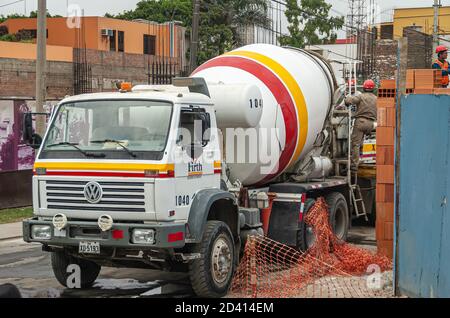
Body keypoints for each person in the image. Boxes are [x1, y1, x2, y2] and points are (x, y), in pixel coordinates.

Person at [344, 79, 377, 176]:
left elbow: (349, 101)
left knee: (355, 144)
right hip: (371, 124)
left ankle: (354, 166)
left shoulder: (361, 96)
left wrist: (346, 100)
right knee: (362, 141)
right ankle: (362, 158)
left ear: (364, 87)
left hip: (361, 122)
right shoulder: (376, 98)